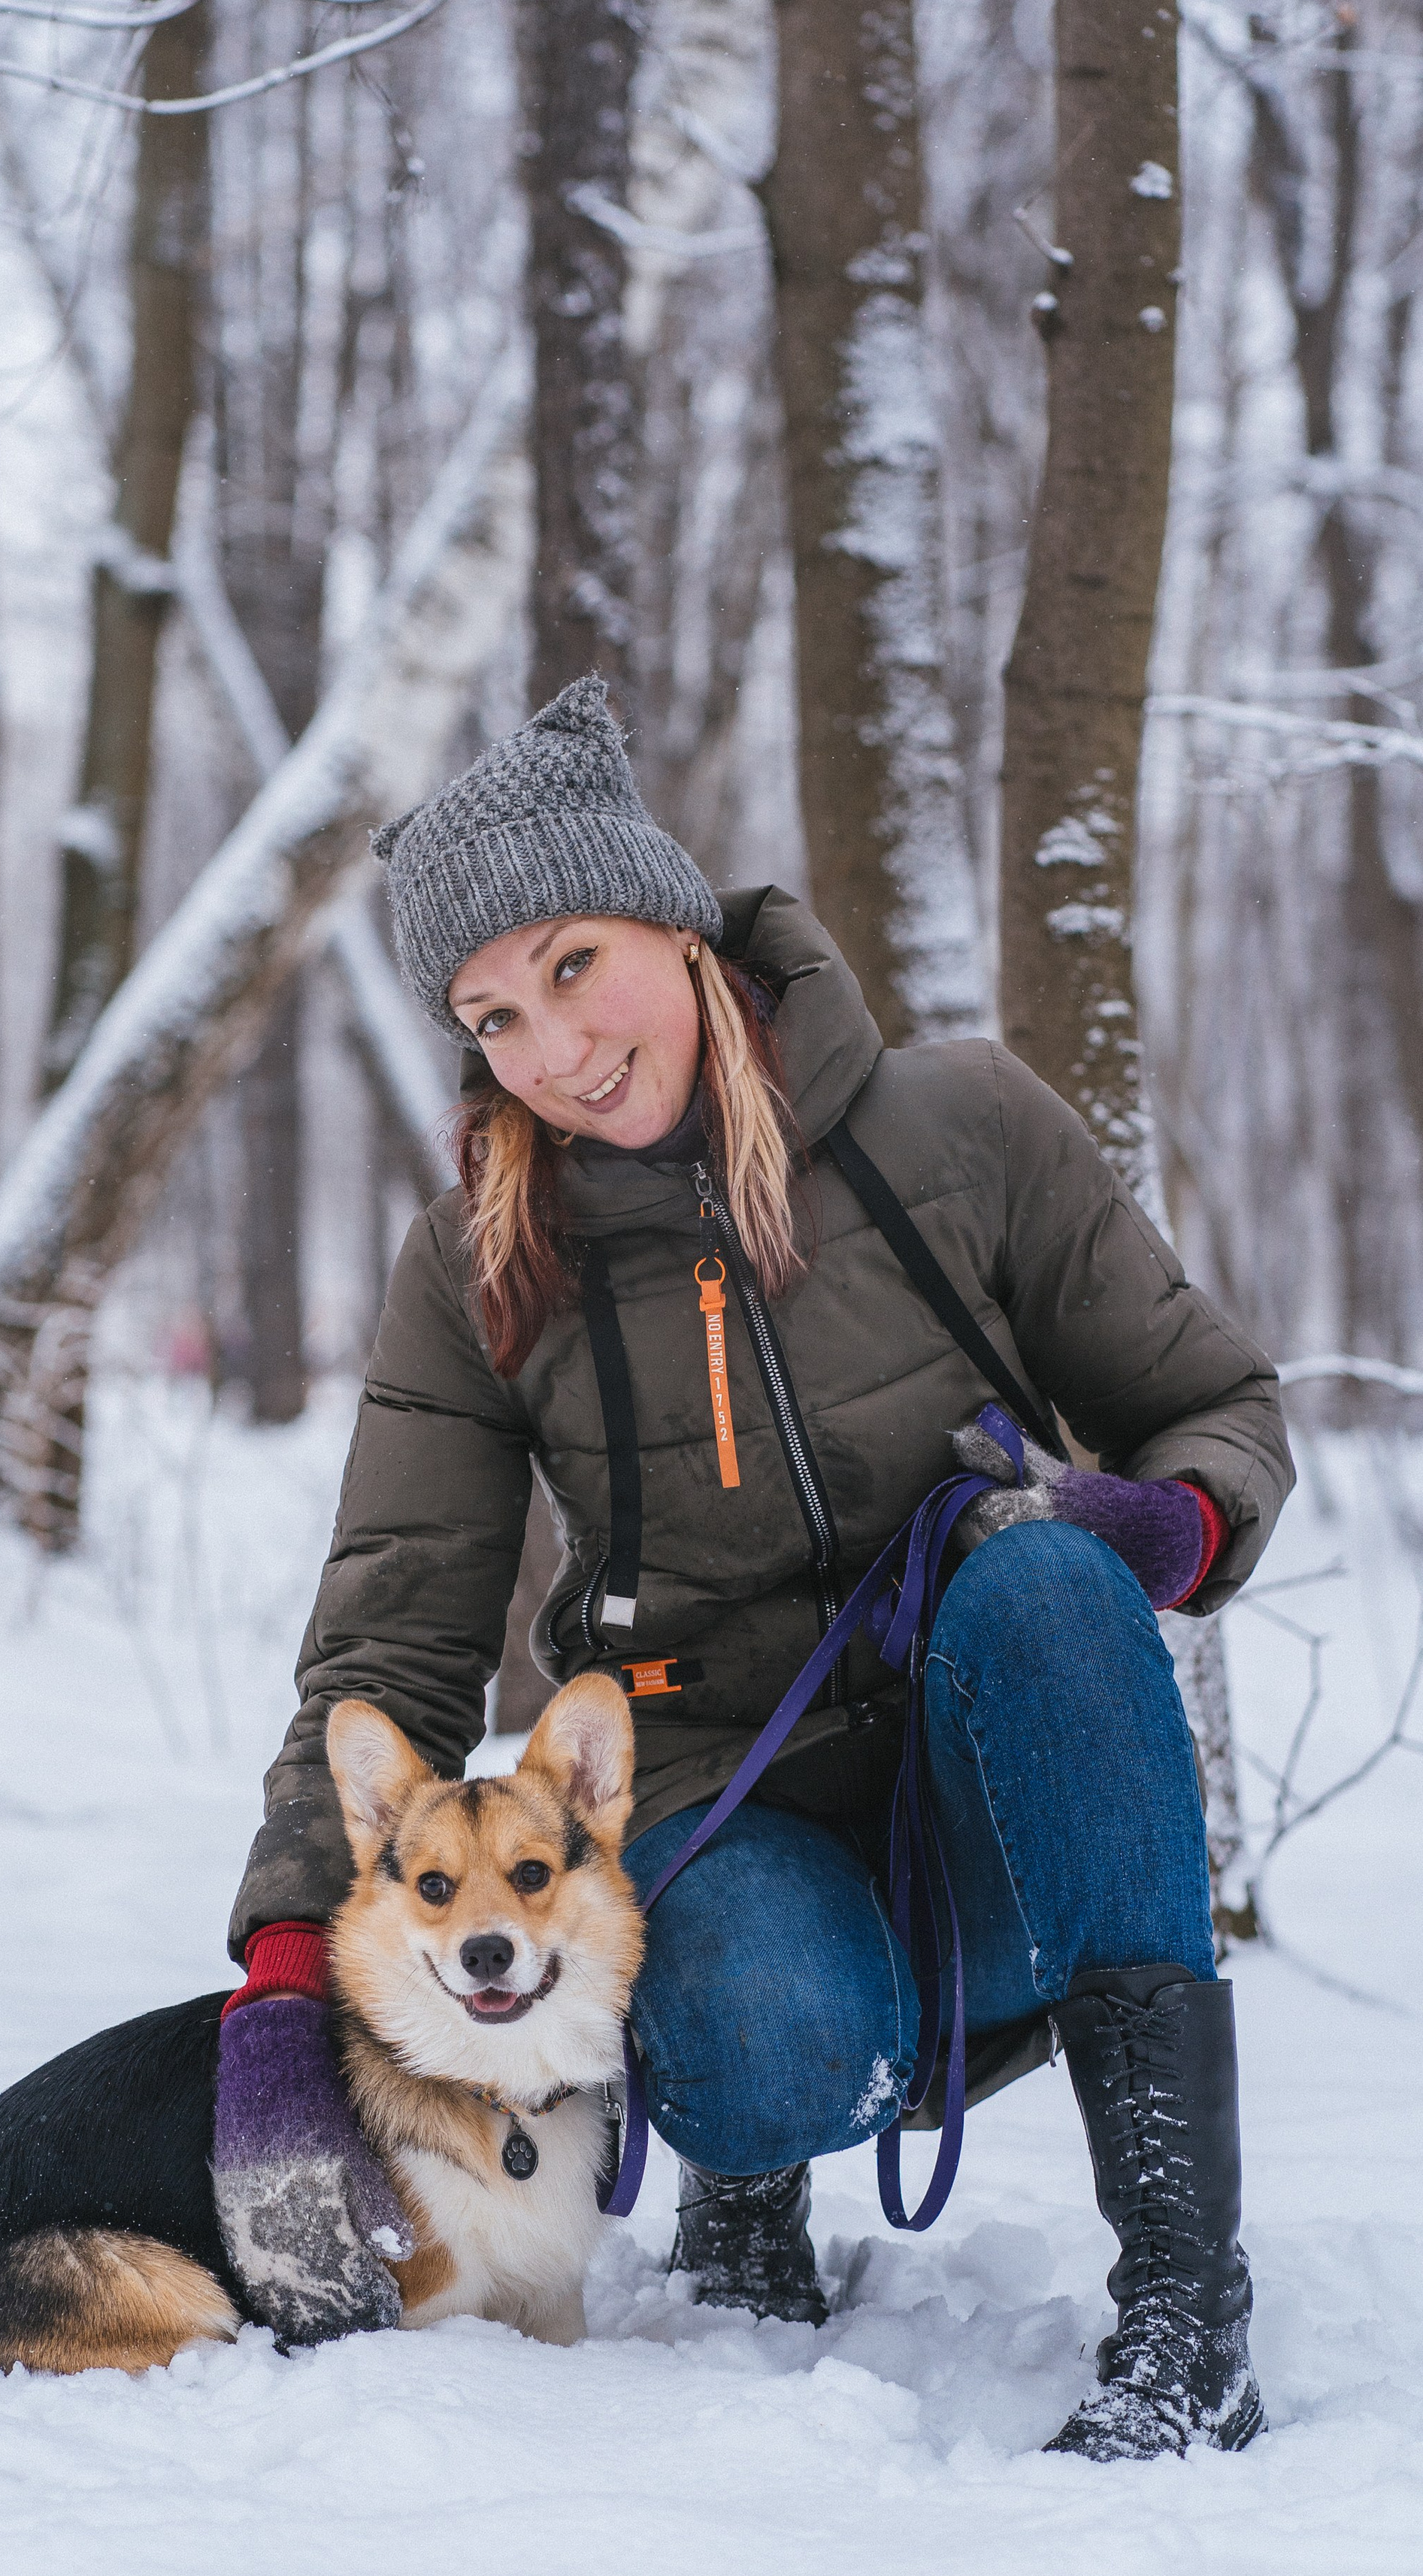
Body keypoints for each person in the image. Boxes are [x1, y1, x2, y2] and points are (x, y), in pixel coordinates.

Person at [214, 676, 1291, 2460]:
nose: (549, 1051)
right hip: (727, 1821)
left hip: (1010, 1798)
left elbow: (1214, 1409)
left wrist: (1156, 1528)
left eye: (571, 965)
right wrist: (275, 1976)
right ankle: (747, 2176)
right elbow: (390, 1643)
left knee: (1035, 1583)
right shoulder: (479, 1266)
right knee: (740, 2026)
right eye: (489, 1017)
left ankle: (1188, 2304)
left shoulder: (962, 1127)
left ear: (673, 919)